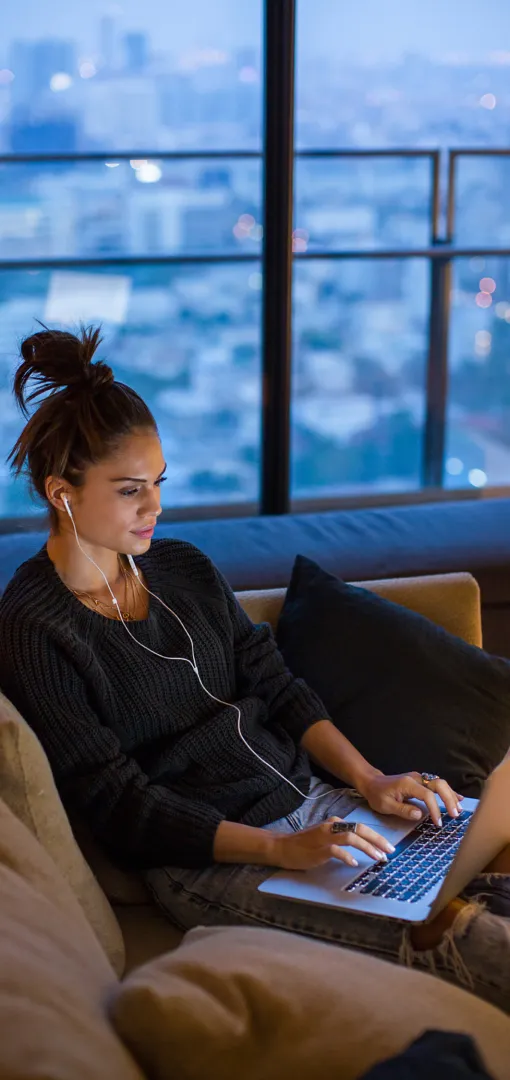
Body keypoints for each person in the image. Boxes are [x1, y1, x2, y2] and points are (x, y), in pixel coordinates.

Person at [0, 327, 509, 1012]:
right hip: (211, 863)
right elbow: (122, 806)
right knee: (456, 939)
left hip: (320, 808)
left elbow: (277, 687)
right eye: (130, 491)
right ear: (63, 494)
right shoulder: (37, 627)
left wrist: (370, 780)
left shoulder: (183, 569)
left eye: (158, 484)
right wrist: (284, 853)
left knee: (494, 867)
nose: (155, 508)